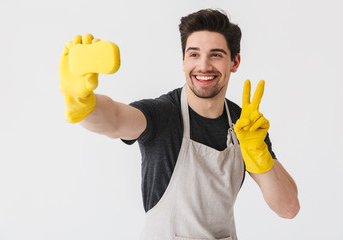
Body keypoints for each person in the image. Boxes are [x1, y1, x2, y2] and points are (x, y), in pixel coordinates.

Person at [59, 8, 300, 240]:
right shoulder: (163, 114)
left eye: (216, 54)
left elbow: (288, 208)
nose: (203, 66)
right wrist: (82, 103)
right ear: (184, 60)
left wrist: (259, 154)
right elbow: (115, 119)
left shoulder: (244, 124)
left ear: (234, 62)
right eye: (194, 54)